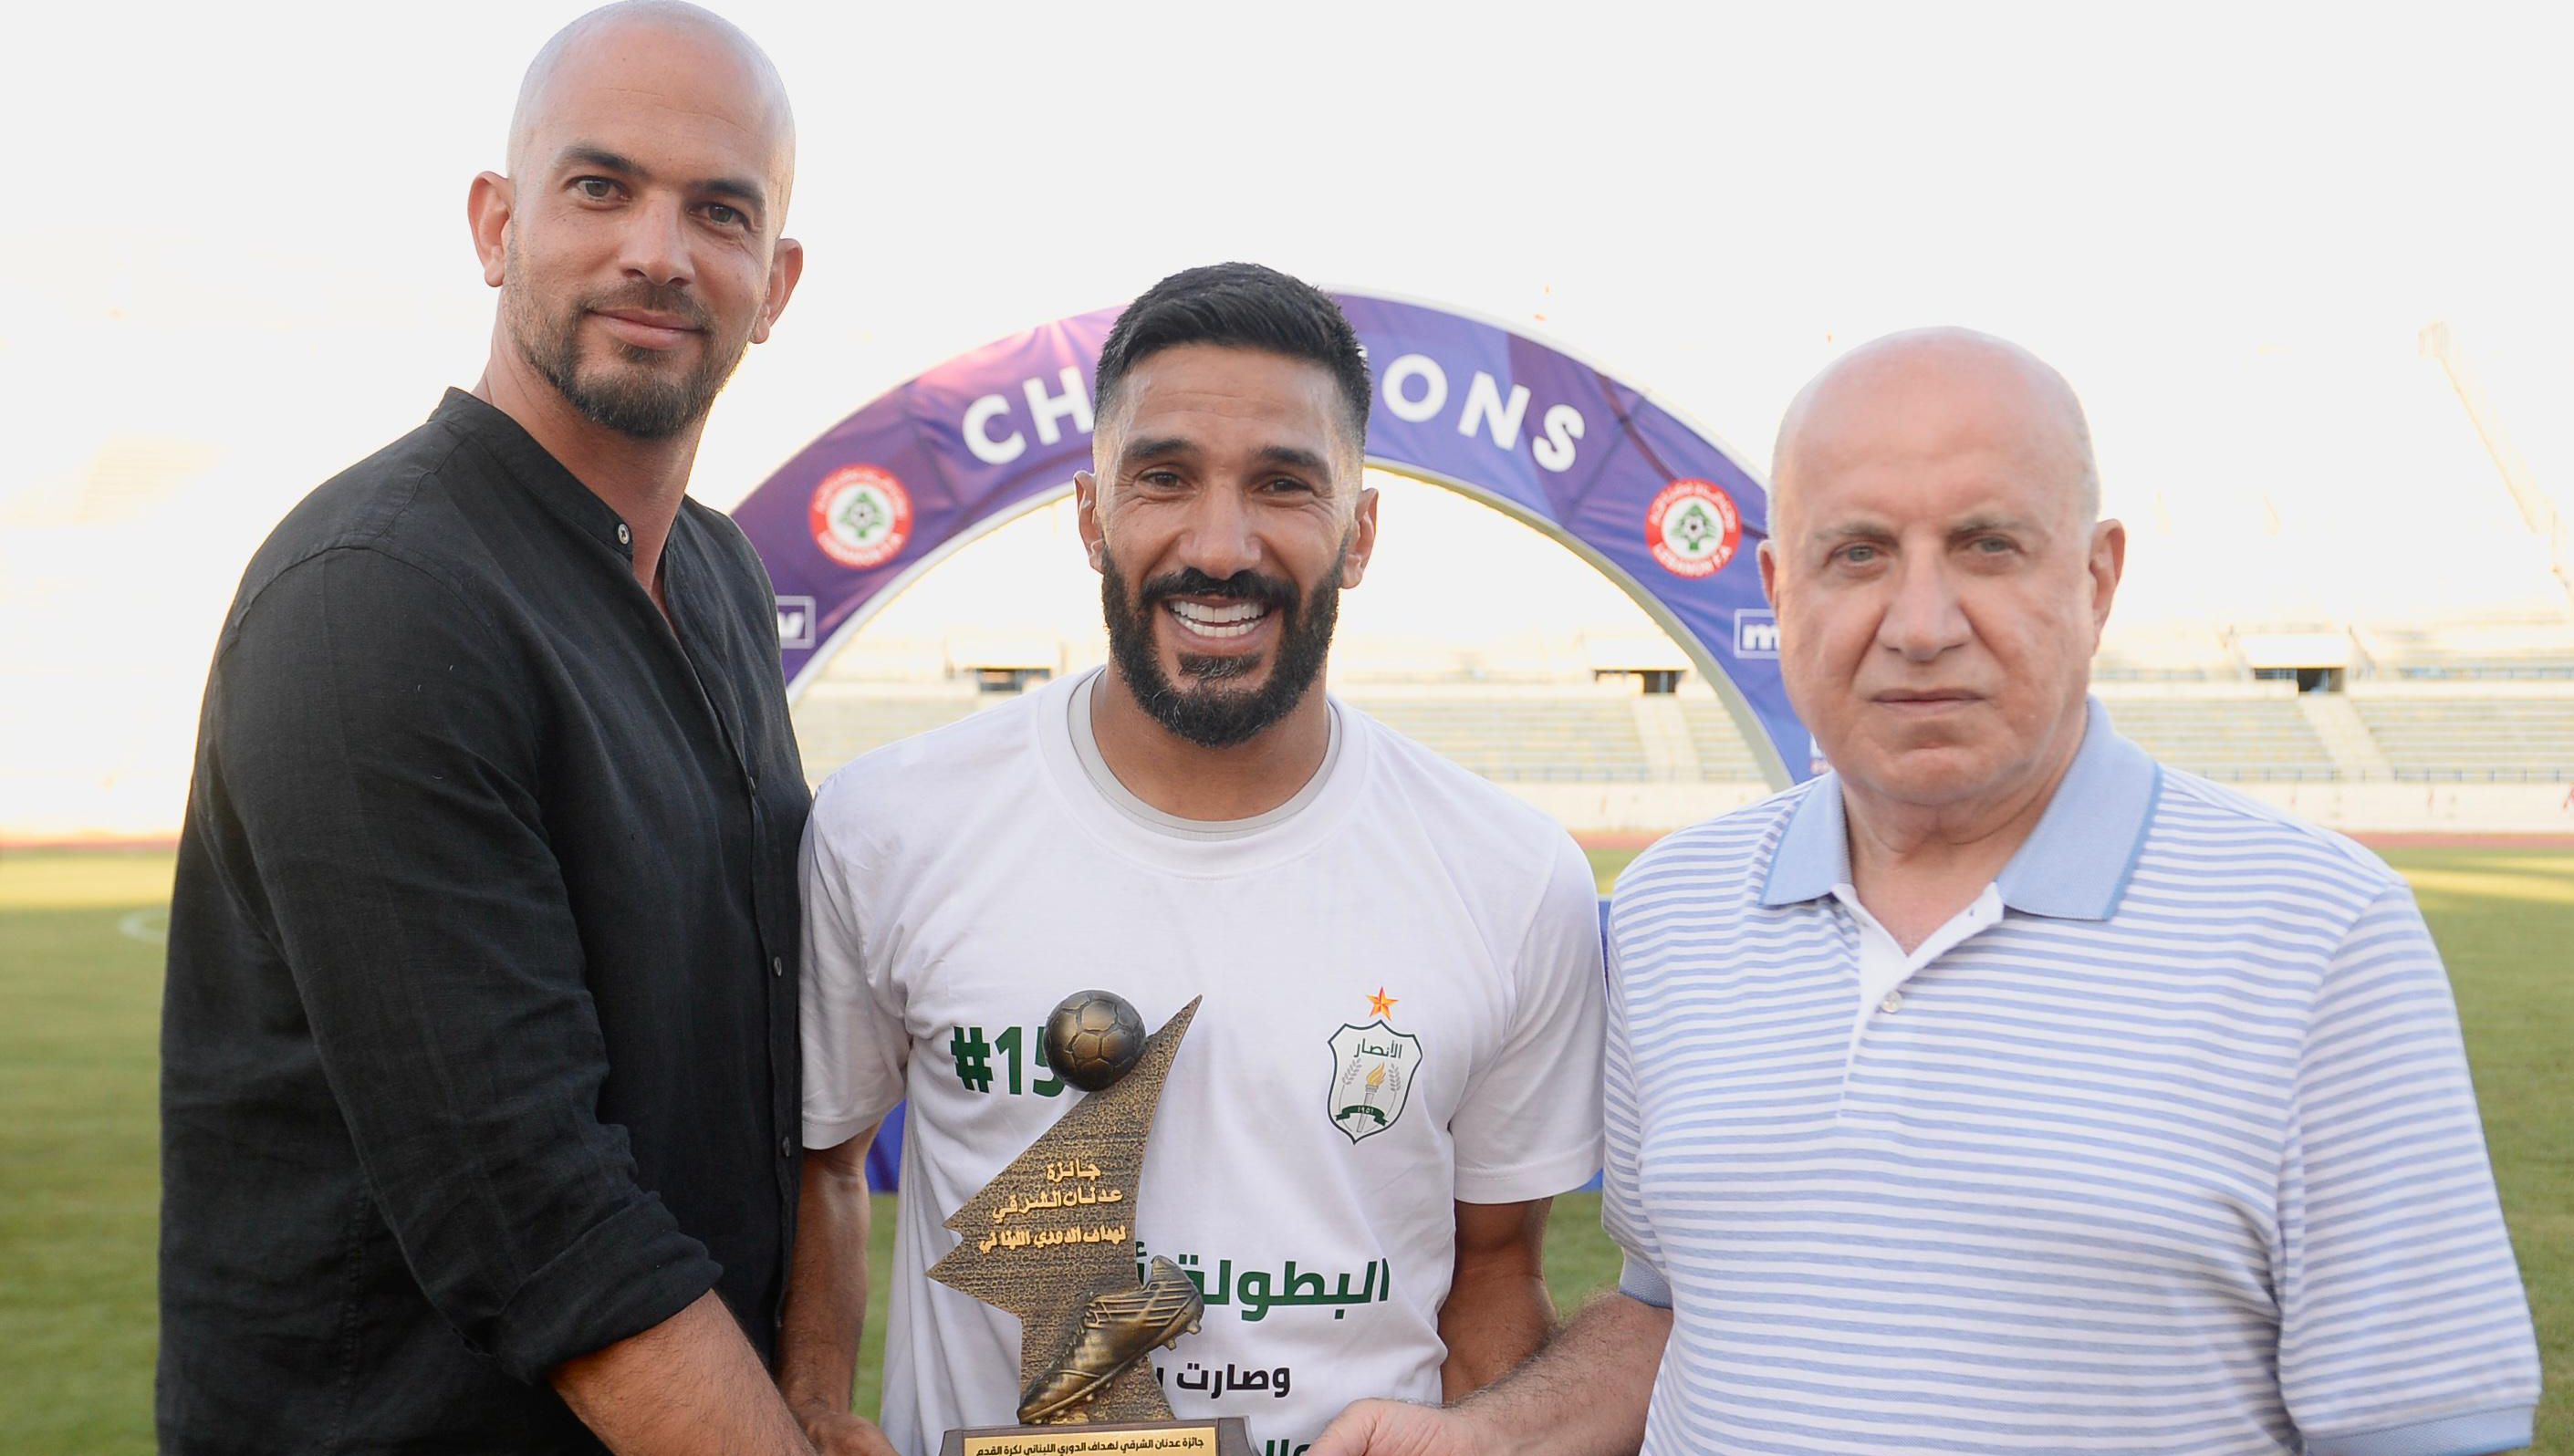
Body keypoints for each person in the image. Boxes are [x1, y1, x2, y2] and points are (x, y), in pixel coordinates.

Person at [1314, 328, 2543, 1456]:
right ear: (1780, 587)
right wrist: (1493, 1438)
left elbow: (2421, 1431)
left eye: (1986, 545)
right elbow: (1674, 1311)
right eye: (1857, 554)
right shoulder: (1672, 909)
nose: (1918, 623)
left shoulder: (2321, 936)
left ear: (2098, 578)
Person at [782, 263, 1608, 1456]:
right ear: (1090, 517)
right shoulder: (890, 826)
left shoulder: (1513, 878)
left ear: (1360, 534)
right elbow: (825, 1163)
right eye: (1163, 478)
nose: (1220, 545)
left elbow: (1494, 1272)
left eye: (1284, 484)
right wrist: (814, 1407)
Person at [157, 5, 818, 1452]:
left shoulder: (715, 574)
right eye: (601, 187)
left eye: (719, 210)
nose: (658, 250)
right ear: (498, 225)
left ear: (773, 283)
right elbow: (527, 1209)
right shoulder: (379, 594)